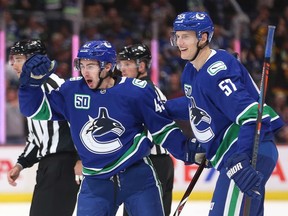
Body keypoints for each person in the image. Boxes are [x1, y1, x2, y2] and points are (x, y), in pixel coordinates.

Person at [16, 40, 205, 216]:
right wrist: (29, 86)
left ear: (107, 66)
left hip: (137, 177)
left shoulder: (136, 91)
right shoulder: (72, 91)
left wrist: (187, 151)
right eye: (81, 65)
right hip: (95, 183)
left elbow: (162, 128)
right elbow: (35, 110)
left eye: (90, 66)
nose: (84, 72)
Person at [166, 11, 284, 216]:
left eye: (186, 36)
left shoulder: (217, 71)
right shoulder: (191, 70)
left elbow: (251, 115)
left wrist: (241, 157)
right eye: (177, 35)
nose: (179, 42)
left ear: (202, 38)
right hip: (235, 154)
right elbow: (195, 105)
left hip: (245, 151)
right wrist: (162, 108)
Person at [6, 39, 80, 216]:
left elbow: (80, 126)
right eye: (12, 59)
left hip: (63, 165)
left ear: (34, 59)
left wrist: (80, 158)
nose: (12, 64)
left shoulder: (56, 86)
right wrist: (20, 164)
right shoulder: (32, 88)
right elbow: (36, 138)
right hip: (48, 166)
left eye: (18, 58)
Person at [117, 43, 174, 216]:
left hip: (152, 163)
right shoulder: (141, 90)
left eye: (127, 64)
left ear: (141, 66)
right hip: (149, 163)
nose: (122, 69)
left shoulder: (144, 91)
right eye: (122, 64)